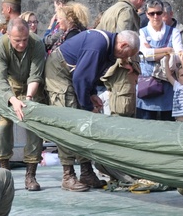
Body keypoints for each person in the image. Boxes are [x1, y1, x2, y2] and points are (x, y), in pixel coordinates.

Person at [46, 28, 140, 190]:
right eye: (127, 54)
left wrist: (92, 94)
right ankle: (68, 175)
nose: (126, 58)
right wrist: (88, 106)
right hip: (59, 73)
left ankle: (86, 172)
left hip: (74, 74)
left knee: (82, 123)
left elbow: (89, 74)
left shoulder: (108, 49)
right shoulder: (98, 46)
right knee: (68, 120)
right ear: (123, 44)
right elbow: (81, 77)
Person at [0, 17, 47, 189]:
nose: (22, 44)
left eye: (24, 40)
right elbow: (0, 81)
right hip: (8, 88)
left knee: (34, 127)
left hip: (31, 88)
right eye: (17, 41)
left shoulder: (37, 43)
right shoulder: (0, 46)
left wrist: (28, 99)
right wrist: (13, 100)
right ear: (8, 35)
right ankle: (5, 172)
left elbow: (35, 75)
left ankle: (31, 175)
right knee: (2, 125)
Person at [137, 0, 182, 120]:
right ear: (146, 14)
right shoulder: (142, 32)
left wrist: (153, 51)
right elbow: (146, 54)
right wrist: (168, 50)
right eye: (152, 13)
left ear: (163, 13)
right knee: (146, 125)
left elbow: (178, 56)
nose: (156, 16)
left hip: (168, 85)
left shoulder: (174, 32)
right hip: (148, 86)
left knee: (168, 125)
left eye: (159, 13)